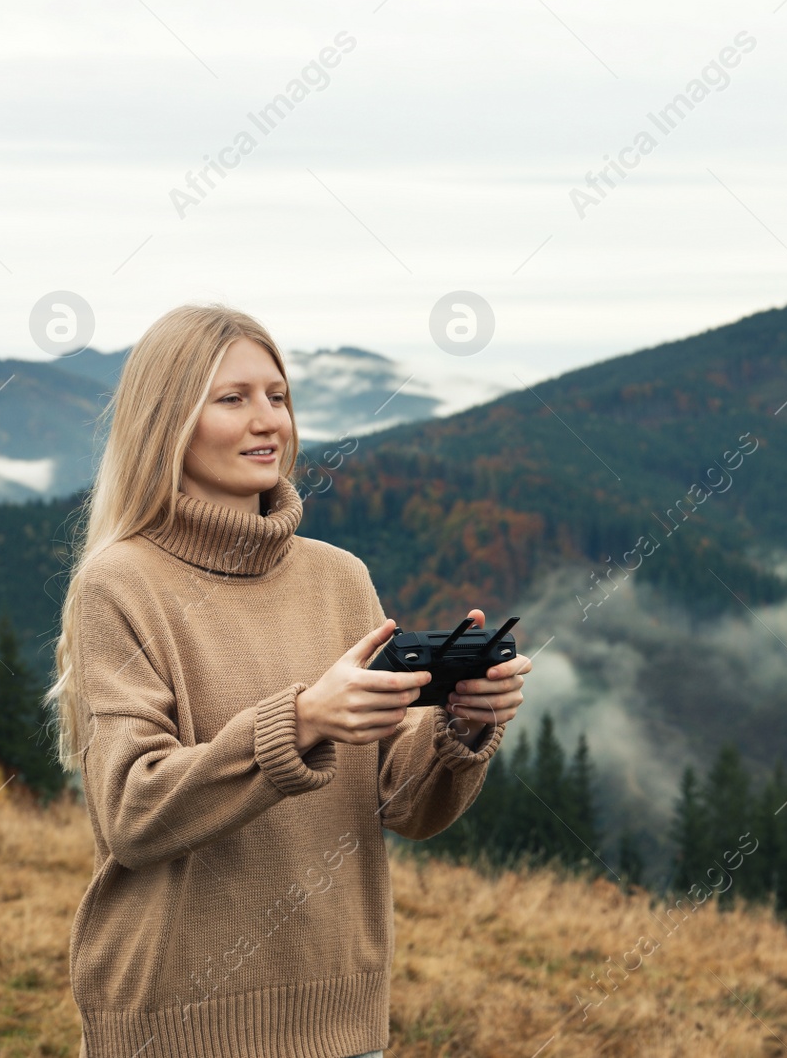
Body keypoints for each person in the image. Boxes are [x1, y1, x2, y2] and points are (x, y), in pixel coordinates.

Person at [44, 304, 531, 1058]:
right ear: (166, 420)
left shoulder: (340, 578)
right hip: (177, 1023)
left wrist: (459, 726)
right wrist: (302, 721)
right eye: (231, 398)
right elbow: (132, 812)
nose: (267, 420)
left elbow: (403, 804)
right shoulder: (120, 583)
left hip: (340, 1020)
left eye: (278, 396)